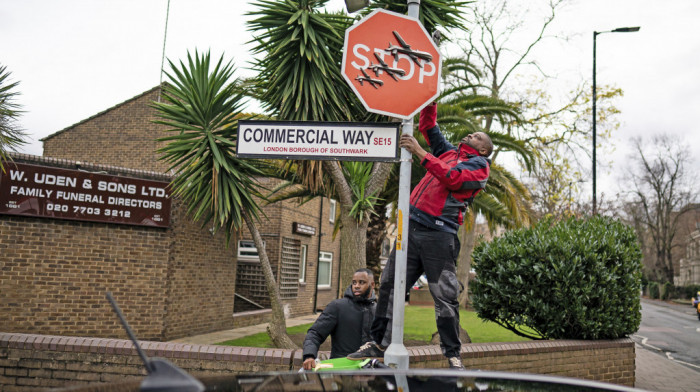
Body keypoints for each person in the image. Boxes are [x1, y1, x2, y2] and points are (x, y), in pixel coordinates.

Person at [347, 102, 492, 370]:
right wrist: (429, 99)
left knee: (444, 297)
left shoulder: (480, 166)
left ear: (483, 149)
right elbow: (427, 125)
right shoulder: (448, 152)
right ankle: (378, 342)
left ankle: (452, 354)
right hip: (411, 230)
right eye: (471, 134)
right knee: (390, 285)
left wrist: (420, 152)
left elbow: (454, 179)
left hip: (439, 236)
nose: (471, 134)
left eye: (478, 136)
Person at [302, 268, 377, 370]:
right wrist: (309, 355)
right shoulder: (337, 307)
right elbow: (315, 333)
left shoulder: (378, 311)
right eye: (354, 283)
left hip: (371, 374)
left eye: (362, 282)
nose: (357, 286)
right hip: (342, 372)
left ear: (372, 285)